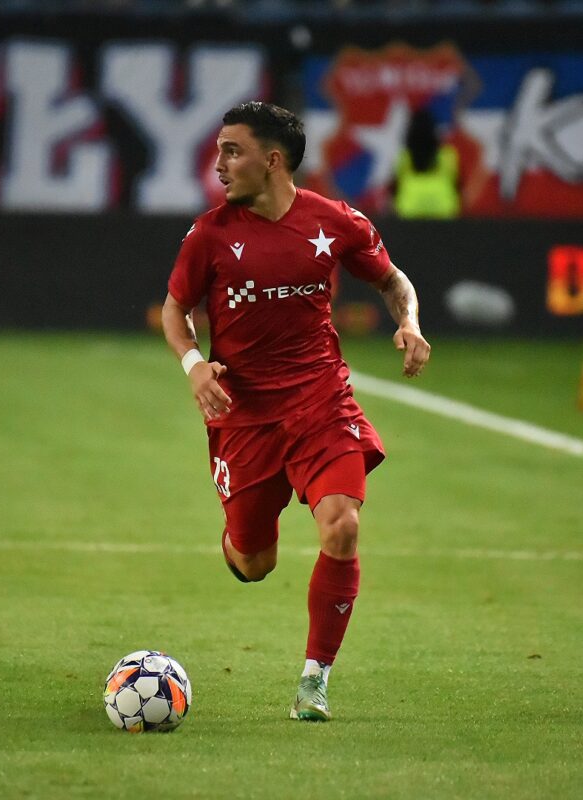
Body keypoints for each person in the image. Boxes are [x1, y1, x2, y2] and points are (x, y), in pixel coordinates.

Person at [162, 101, 431, 722]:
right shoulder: (209, 234)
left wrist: (411, 323)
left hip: (320, 401)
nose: (219, 164)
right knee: (254, 562)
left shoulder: (335, 222)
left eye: (232, 151)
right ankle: (238, 539)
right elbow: (176, 309)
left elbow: (393, 281)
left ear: (273, 160)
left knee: (342, 526)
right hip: (245, 414)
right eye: (219, 150)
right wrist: (195, 365)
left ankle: (315, 680)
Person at [392, 108, 461, 219]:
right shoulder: (448, 156)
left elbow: (394, 189)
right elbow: (457, 187)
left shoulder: (405, 157)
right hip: (443, 209)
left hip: (409, 210)